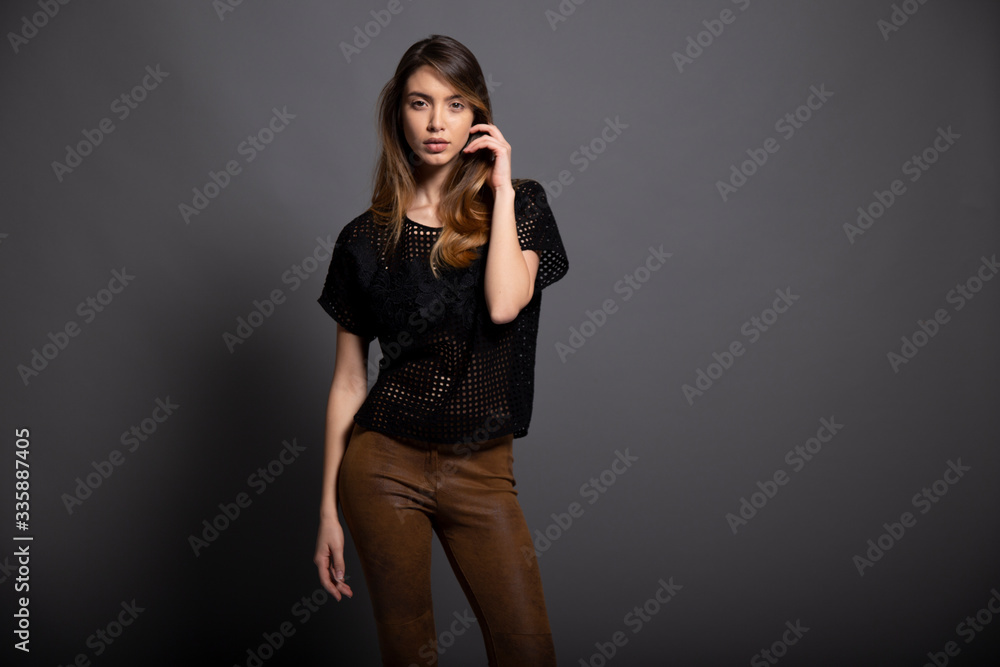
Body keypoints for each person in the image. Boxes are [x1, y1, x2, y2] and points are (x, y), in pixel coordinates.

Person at [313, 34, 569, 666]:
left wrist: (502, 188)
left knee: (527, 652)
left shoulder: (521, 205)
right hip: (382, 466)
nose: (436, 122)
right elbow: (349, 380)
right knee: (410, 655)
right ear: (397, 115)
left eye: (455, 105)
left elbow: (506, 302)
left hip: (482, 471)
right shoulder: (364, 239)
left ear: (478, 115)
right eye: (419, 103)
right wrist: (326, 509)